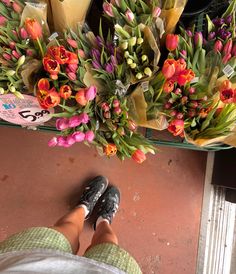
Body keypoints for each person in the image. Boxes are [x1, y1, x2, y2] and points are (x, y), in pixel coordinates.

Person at [0, 176, 142, 274]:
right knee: (107, 243)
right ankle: (103, 219)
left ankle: (84, 207)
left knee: (63, 231)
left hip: (27, 266)